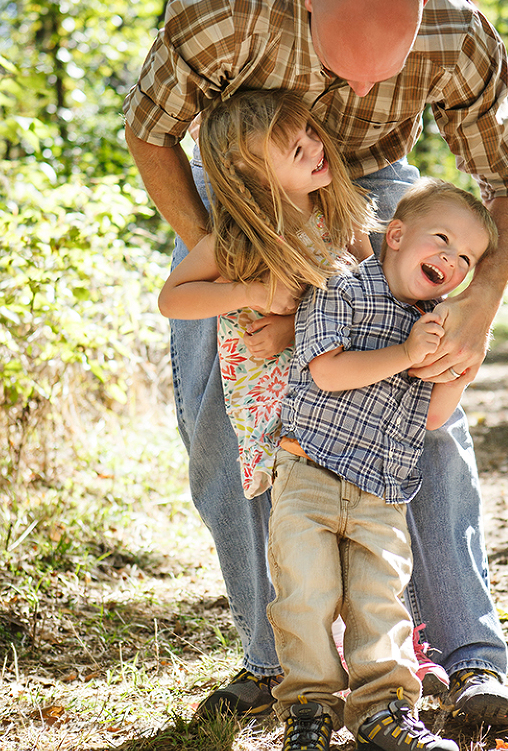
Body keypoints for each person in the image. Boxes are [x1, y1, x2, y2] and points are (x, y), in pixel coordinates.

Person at [123, 0, 508, 734]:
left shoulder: (459, 34)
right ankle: (274, 657)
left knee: (425, 402)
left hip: (376, 188)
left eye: (380, 75)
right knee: (228, 425)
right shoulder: (220, 7)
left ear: (422, 20)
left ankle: (468, 654)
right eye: (343, 66)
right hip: (249, 180)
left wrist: (476, 307)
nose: (355, 89)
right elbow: (150, 132)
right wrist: (248, 266)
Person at [270, 180, 496, 751]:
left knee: (380, 602)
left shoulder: (434, 325)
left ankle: (382, 712)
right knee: (306, 596)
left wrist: (460, 368)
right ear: (396, 236)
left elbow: (432, 416)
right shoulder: (339, 290)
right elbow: (325, 372)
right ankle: (309, 713)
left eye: (467, 258)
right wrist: (404, 353)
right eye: (442, 240)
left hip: (380, 493)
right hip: (310, 476)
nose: (451, 260)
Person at [157, 88, 375, 499]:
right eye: (296, 151)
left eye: (310, 130)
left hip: (339, 402)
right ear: (256, 179)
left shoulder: (341, 219)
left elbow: (370, 298)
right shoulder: (240, 242)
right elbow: (172, 300)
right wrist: (251, 293)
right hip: (275, 416)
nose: (316, 146)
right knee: (299, 520)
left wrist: (294, 326)